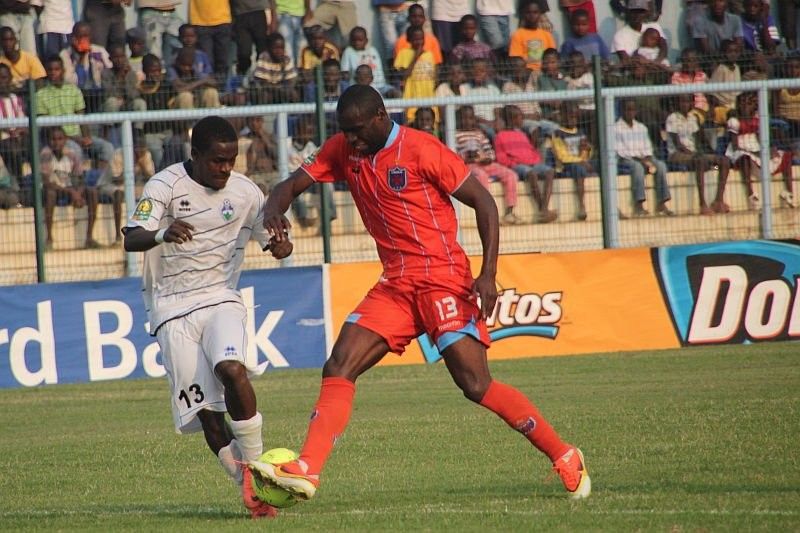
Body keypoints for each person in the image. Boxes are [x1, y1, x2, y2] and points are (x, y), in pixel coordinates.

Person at [257, 84, 591, 504]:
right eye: (345, 131)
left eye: (358, 130)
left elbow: (484, 202)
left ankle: (564, 454)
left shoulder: (421, 149)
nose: (352, 140)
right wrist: (274, 211)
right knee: (339, 364)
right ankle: (307, 468)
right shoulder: (344, 147)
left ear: (381, 117)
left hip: (442, 278)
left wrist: (488, 274)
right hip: (396, 284)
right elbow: (289, 185)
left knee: (474, 384)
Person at [122, 115, 293, 520]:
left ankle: (258, 470)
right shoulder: (165, 185)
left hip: (220, 298)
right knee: (209, 417)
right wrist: (162, 233)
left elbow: (273, 240)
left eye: (231, 160)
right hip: (171, 307)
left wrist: (281, 247)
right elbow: (132, 237)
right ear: (195, 155)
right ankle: (248, 485)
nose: (225, 168)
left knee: (232, 369)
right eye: (217, 161)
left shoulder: (246, 192)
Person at [725, 92, 795, 210]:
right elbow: (735, 146)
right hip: (740, 150)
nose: (744, 106)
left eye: (748, 104)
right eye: (742, 103)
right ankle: (751, 195)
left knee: (786, 155)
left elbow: (761, 139)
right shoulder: (734, 121)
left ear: (754, 106)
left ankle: (788, 193)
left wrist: (768, 149)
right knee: (745, 157)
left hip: (755, 148)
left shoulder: (757, 119)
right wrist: (755, 153)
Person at [665, 94, 731, 215]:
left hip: (694, 154)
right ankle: (702, 204)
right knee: (700, 160)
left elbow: (699, 139)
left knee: (723, 161)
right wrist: (695, 154)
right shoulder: (672, 118)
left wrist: (708, 154)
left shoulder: (693, 117)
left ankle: (718, 200)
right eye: (682, 102)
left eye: (688, 102)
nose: (685, 105)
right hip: (677, 154)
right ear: (677, 103)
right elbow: (677, 144)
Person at [455, 105, 519, 224]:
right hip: (469, 165)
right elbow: (453, 155)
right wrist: (466, 157)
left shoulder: (479, 134)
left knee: (511, 175)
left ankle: (510, 211)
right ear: (459, 120)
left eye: (471, 118)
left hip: (484, 163)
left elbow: (489, 150)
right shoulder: (456, 135)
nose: (468, 121)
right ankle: (485, 209)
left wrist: (488, 158)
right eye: (465, 118)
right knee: (481, 176)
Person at [495, 104, 557, 223]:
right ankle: (543, 210)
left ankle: (544, 208)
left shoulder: (522, 134)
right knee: (531, 173)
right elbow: (501, 158)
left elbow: (532, 151)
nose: (522, 119)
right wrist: (514, 163)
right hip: (516, 165)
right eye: (520, 117)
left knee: (549, 171)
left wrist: (536, 160)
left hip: (532, 163)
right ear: (512, 119)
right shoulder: (500, 136)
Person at [614, 98, 673, 217]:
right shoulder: (616, 128)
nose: (630, 112)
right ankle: (639, 205)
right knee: (638, 167)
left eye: (633, 109)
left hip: (644, 157)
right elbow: (621, 152)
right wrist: (642, 161)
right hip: (626, 160)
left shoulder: (641, 127)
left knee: (661, 165)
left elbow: (648, 147)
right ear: (623, 110)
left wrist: (648, 159)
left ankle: (662, 203)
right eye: (628, 109)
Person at [508, 0, 556, 72]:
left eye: (535, 12)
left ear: (540, 14)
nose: (532, 16)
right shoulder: (517, 35)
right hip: (527, 73)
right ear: (523, 14)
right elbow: (516, 60)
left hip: (545, 72)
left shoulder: (547, 35)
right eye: (528, 12)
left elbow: (553, 58)